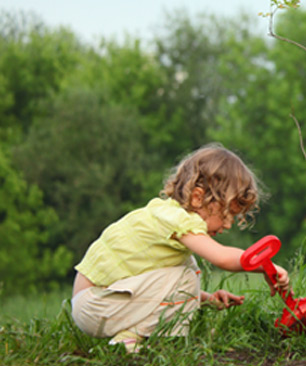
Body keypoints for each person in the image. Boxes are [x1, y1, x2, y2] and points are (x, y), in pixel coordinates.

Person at [71, 143, 290, 352]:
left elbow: (154, 281)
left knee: (186, 269)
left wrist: (205, 298)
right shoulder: (178, 220)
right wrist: (265, 267)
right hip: (96, 304)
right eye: (226, 213)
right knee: (186, 273)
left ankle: (131, 337)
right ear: (197, 198)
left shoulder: (166, 216)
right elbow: (222, 258)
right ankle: (140, 339)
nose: (228, 224)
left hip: (97, 304)